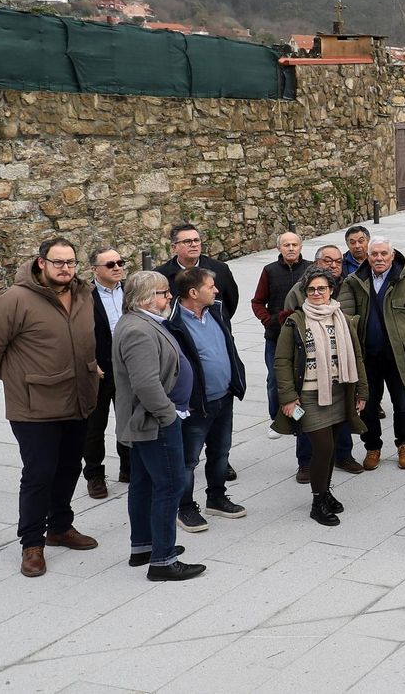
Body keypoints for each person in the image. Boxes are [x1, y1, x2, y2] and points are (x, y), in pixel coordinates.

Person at [0, 237, 102, 578]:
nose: (65, 268)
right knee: (38, 474)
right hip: (35, 407)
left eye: (70, 262)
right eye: (58, 262)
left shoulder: (85, 293)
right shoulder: (15, 299)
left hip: (78, 398)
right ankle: (32, 543)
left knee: (69, 466)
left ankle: (60, 526)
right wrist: (19, 380)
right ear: (41, 262)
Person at [111, 270, 204, 581]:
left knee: (144, 483)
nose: (168, 298)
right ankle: (162, 560)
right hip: (154, 422)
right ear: (146, 299)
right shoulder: (138, 330)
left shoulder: (143, 322)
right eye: (164, 293)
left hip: (150, 421)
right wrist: (168, 414)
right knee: (170, 485)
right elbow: (146, 383)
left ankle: (144, 547)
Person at [273, 265, 367, 527]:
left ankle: (326, 493)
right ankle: (317, 501)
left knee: (333, 446)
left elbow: (357, 357)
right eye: (311, 289)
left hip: (339, 392)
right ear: (305, 292)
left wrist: (362, 391)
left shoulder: (344, 319)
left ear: (331, 291)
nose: (316, 293)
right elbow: (281, 361)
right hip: (310, 397)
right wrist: (288, 398)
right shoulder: (295, 321)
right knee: (323, 448)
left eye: (321, 289)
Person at [340, 238, 405, 471]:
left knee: (402, 403)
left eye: (384, 254)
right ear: (368, 256)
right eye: (374, 254)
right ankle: (372, 447)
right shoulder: (355, 281)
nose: (379, 258)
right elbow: (345, 314)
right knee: (368, 404)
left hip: (398, 355)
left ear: (392, 255)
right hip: (368, 356)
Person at [166, 267, 248, 533]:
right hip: (196, 404)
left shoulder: (215, 311)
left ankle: (216, 497)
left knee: (221, 452)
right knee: (189, 459)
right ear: (193, 292)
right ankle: (185, 508)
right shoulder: (173, 322)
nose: (216, 290)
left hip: (224, 397)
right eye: (210, 286)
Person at [283, 245, 364, 479]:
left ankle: (343, 455)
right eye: (328, 260)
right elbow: (286, 331)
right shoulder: (299, 291)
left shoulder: (347, 286)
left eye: (338, 261)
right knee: (309, 428)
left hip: (340, 375)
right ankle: (306, 463)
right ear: (316, 262)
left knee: (340, 422)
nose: (334, 265)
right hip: (309, 382)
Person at [252, 232, 311, 457]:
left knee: (301, 378)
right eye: (286, 245)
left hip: (305, 334)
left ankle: (298, 418)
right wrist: (269, 320)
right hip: (276, 335)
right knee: (274, 379)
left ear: (301, 246)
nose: (291, 248)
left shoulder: (310, 268)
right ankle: (277, 418)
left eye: (295, 244)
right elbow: (257, 301)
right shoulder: (269, 271)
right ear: (279, 248)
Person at [85, 246, 130, 498]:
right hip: (99, 370)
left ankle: (128, 467)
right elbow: (77, 335)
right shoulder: (84, 296)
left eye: (119, 262)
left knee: (127, 419)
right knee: (95, 426)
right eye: (110, 264)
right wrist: (90, 362)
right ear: (94, 270)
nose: (117, 267)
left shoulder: (129, 292)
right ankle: (94, 475)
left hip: (127, 367)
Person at [159, 223, 240, 319]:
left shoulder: (220, 270)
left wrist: (221, 321)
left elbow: (231, 302)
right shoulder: (162, 275)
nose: (193, 245)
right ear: (174, 247)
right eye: (187, 241)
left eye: (196, 240)